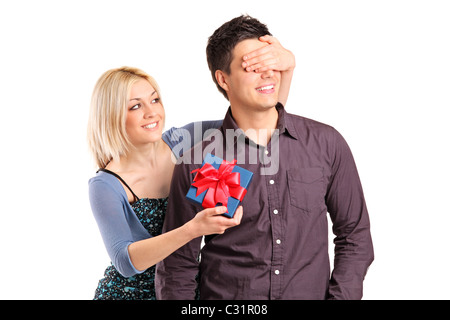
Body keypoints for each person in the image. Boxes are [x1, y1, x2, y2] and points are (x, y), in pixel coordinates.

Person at [156, 15, 374, 300]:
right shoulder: (205, 161)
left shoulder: (325, 143)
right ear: (223, 79)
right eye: (253, 66)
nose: (268, 74)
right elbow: (178, 265)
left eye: (271, 63)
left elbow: (355, 236)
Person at [87, 36, 295, 299]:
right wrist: (193, 229)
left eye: (155, 100)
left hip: (183, 289)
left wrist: (286, 71)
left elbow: (258, 124)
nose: (152, 113)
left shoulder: (186, 142)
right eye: (136, 106)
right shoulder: (106, 185)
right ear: (111, 116)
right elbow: (125, 262)